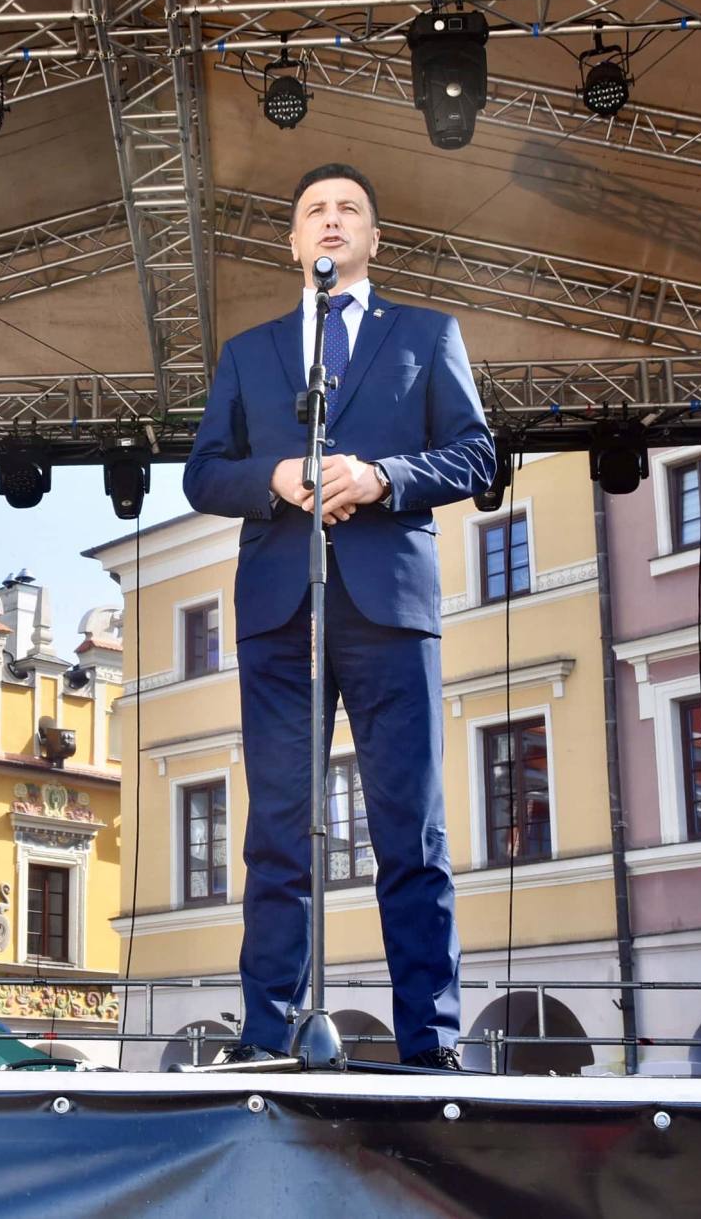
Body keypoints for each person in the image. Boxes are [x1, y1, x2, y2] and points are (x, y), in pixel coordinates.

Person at [182, 163, 494, 1070]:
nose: (329, 222)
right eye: (313, 210)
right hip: (281, 611)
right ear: (292, 242)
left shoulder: (428, 336)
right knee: (280, 828)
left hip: (390, 609)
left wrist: (385, 477)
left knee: (412, 829)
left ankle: (429, 1044)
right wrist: (274, 480)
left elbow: (476, 454)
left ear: (373, 239)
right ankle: (266, 1036)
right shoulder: (250, 352)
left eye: (348, 210)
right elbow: (203, 472)